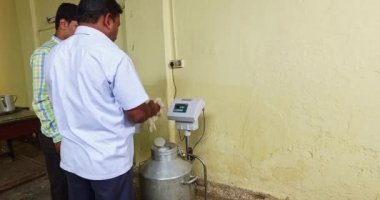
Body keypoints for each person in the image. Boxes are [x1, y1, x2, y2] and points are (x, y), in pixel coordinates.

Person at [45, 0, 161, 199]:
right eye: (117, 24)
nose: (116, 31)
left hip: (73, 159)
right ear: (108, 19)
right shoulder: (112, 56)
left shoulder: (54, 54)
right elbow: (136, 113)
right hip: (107, 164)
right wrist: (153, 107)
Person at [30, 3, 78, 200]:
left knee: (76, 183)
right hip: (56, 134)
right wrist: (58, 137)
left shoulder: (73, 51)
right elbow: (41, 99)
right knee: (61, 186)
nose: (79, 32)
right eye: (77, 26)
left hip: (73, 130)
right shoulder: (44, 53)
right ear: (63, 23)